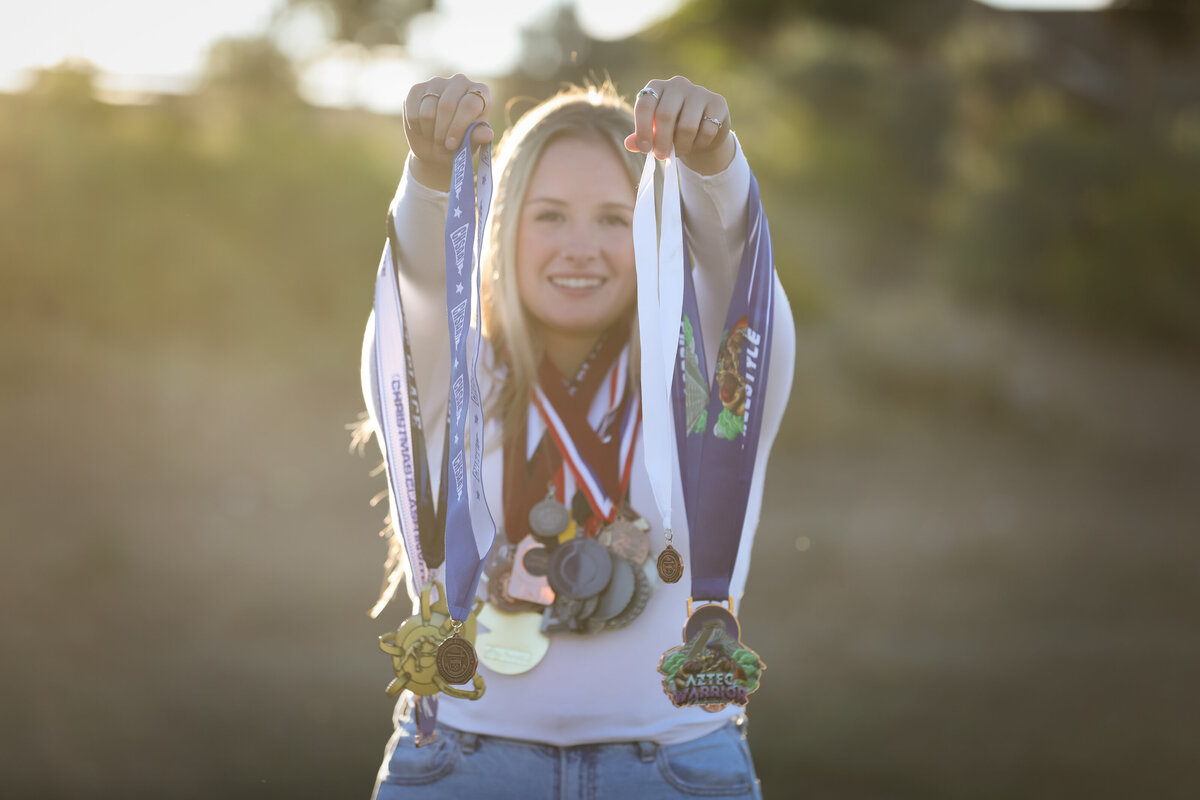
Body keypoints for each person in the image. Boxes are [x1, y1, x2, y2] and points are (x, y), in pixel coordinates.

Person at [359, 72, 795, 799]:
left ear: (655, 232)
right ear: (502, 227)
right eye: (551, 215)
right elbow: (421, 287)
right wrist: (434, 177)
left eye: (615, 220)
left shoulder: (704, 378)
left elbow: (732, 267)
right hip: (459, 766)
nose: (581, 248)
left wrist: (713, 163)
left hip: (677, 767)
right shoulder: (449, 372)